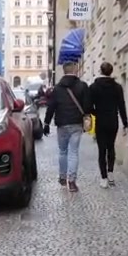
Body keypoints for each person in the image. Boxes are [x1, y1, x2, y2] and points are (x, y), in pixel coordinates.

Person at [43, 62, 92, 192]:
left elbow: (51, 107)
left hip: (62, 124)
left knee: (62, 151)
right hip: (76, 123)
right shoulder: (82, 86)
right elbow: (87, 107)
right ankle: (72, 181)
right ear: (75, 70)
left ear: (64, 71)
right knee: (73, 152)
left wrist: (46, 123)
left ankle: (62, 177)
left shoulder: (57, 88)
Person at [89, 62, 128, 188]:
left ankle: (104, 178)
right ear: (111, 72)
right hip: (113, 120)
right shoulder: (117, 87)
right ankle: (111, 172)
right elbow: (121, 106)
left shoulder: (94, 87)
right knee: (111, 147)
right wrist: (125, 123)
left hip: (100, 121)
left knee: (102, 150)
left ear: (100, 71)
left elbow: (88, 106)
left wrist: (96, 113)